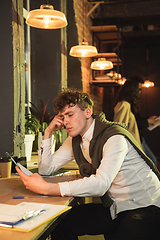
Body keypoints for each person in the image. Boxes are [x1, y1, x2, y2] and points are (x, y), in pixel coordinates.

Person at [17, 88, 160, 240]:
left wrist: (46, 188)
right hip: (115, 207)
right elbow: (46, 169)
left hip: (144, 206)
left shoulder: (114, 137)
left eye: (70, 115)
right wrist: (48, 133)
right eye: (62, 116)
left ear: (87, 113)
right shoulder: (75, 139)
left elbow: (100, 184)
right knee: (60, 222)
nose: (65, 122)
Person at [114, 75, 158, 165]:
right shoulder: (124, 105)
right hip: (133, 142)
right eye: (139, 90)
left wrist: (148, 119)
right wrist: (148, 122)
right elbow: (121, 126)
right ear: (132, 90)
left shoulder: (129, 104)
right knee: (150, 162)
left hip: (139, 139)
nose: (140, 92)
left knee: (151, 162)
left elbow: (134, 120)